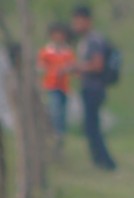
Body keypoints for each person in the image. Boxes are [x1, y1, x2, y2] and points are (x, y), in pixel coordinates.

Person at [70, 5, 115, 171]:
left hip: (94, 88)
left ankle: (105, 162)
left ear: (88, 21)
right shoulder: (85, 40)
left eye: (79, 22)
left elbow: (98, 65)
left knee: (92, 126)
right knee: (90, 126)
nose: (76, 25)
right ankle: (99, 161)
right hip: (89, 87)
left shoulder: (94, 40)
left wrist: (77, 68)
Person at [38, 22, 75, 156]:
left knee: (62, 114)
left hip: (63, 86)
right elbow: (41, 66)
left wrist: (66, 69)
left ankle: (60, 138)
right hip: (51, 86)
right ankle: (54, 133)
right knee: (55, 111)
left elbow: (72, 67)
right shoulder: (47, 51)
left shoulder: (67, 51)